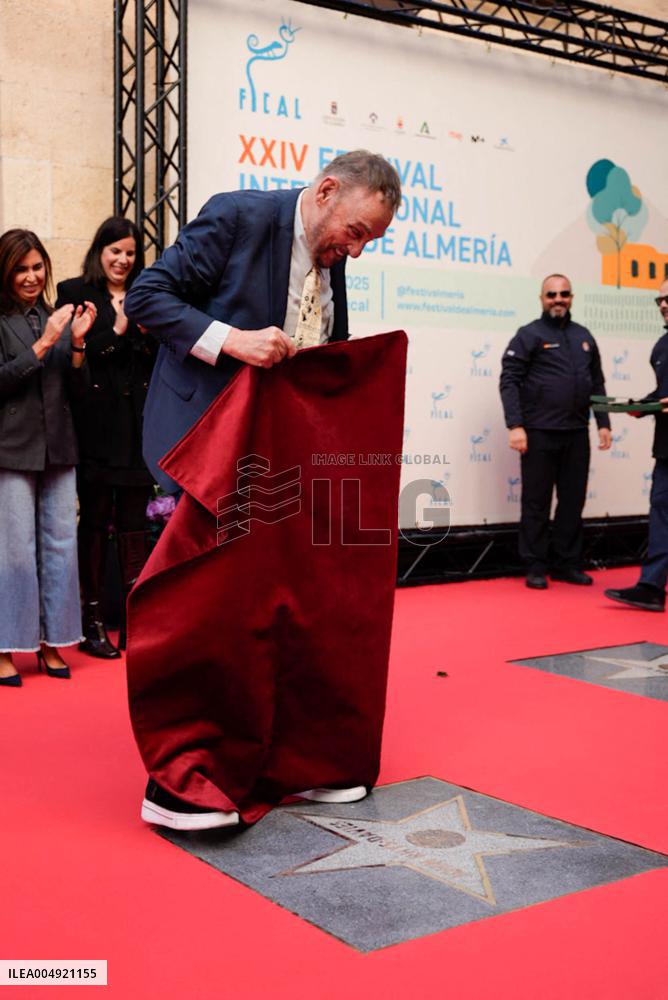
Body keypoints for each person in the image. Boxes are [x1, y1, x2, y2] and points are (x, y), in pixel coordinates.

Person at [124, 149, 401, 829]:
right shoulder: (239, 215)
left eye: (371, 241)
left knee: (280, 609)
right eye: (358, 232)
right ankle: (179, 779)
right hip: (200, 449)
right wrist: (232, 340)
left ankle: (293, 762)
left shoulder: (331, 261)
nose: (357, 251)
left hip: (275, 466)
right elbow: (147, 297)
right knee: (202, 616)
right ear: (328, 191)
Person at [0, 230, 96, 687]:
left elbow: (78, 394)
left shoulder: (55, 316)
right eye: (22, 268)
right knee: (14, 553)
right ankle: (6, 645)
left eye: (38, 267)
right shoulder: (3, 319)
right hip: (10, 447)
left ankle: (52, 641)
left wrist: (76, 344)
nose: (32, 276)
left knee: (61, 547)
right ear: (6, 272)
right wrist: (43, 345)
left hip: (59, 444)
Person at [56, 218, 155, 659]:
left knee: (136, 523)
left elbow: (157, 359)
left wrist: (147, 334)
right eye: (116, 251)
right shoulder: (74, 291)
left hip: (137, 427)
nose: (123, 260)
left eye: (131, 253)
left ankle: (134, 621)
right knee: (94, 521)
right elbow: (77, 356)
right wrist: (117, 330)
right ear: (100, 251)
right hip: (96, 426)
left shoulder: (148, 294)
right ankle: (91, 620)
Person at [499, 273, 612, 590]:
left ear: (572, 297)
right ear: (542, 299)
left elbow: (598, 382)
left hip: (577, 433)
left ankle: (566, 563)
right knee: (536, 502)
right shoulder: (529, 335)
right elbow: (509, 380)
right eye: (552, 294)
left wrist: (603, 422)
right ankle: (535, 564)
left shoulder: (584, 336)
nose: (558, 299)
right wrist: (515, 425)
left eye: (564, 294)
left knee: (572, 501)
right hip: (538, 433)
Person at [605, 280, 668, 612]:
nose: (663, 304)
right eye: (659, 299)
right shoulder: (661, 346)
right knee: (661, 515)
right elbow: (662, 395)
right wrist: (639, 406)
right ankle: (651, 587)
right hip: (666, 451)